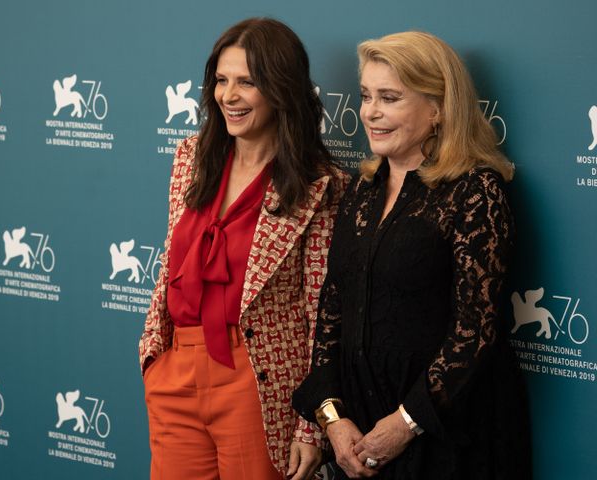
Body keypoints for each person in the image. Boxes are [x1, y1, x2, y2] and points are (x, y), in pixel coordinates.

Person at [293, 31, 532, 479]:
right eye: (366, 96)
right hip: (360, 433)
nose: (370, 112)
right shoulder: (362, 188)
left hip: (446, 438)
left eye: (390, 97)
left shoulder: (475, 192)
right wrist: (332, 417)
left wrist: (405, 423)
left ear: (438, 108)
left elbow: (474, 332)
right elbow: (332, 307)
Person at [139, 18, 350, 480]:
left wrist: (310, 426)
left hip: (258, 380)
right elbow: (170, 260)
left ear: (282, 89)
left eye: (247, 82)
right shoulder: (190, 158)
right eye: (221, 80)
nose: (228, 96)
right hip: (177, 370)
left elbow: (320, 311)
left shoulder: (321, 185)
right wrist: (155, 353)